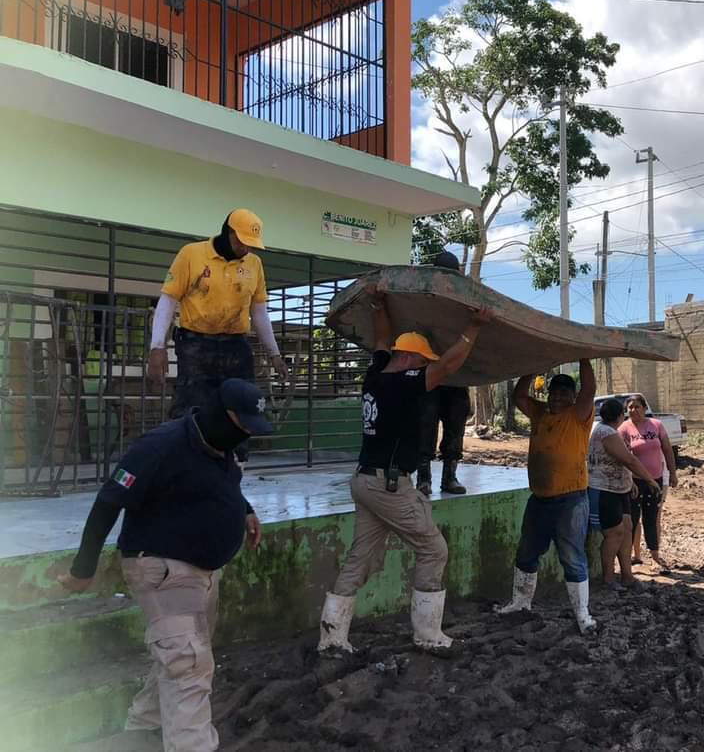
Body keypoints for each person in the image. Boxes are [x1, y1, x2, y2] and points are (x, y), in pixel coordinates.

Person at [59, 379, 273, 752]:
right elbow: (109, 502)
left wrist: (245, 510)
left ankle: (143, 731)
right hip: (161, 568)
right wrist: (83, 568)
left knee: (181, 658)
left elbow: (227, 484)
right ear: (222, 416)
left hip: (203, 574)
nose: (245, 438)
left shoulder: (220, 447)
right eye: (242, 427)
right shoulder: (160, 446)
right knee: (188, 666)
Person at [317, 286, 491, 654]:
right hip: (388, 485)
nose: (426, 365)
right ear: (412, 359)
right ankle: (428, 633)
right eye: (422, 359)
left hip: (365, 479)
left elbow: (382, 339)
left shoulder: (377, 372)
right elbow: (448, 366)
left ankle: (332, 638)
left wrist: (380, 308)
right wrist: (473, 327)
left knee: (360, 558)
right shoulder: (405, 385)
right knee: (433, 549)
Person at [148, 209, 288, 462]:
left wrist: (274, 353)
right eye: (241, 242)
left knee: (241, 406)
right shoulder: (191, 254)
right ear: (228, 232)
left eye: (250, 244)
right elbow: (168, 300)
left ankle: (234, 465)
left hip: (236, 346)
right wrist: (157, 347)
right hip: (196, 344)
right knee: (192, 407)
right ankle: (186, 464)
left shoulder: (254, 264)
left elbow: (259, 312)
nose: (245, 248)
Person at [495, 361, 598, 633]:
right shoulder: (539, 413)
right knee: (527, 551)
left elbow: (589, 390)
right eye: (554, 392)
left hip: (571, 500)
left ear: (572, 397)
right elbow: (518, 396)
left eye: (565, 393)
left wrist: (584, 357)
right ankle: (520, 602)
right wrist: (534, 366)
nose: (558, 397)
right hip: (540, 499)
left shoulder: (578, 415)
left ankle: (582, 615)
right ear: (548, 394)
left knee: (572, 557)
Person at [588, 398, 661, 586]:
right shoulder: (605, 432)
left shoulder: (610, 431)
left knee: (627, 528)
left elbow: (623, 462)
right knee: (614, 533)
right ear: (621, 415)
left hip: (620, 488)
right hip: (605, 489)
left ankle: (627, 575)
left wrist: (630, 481)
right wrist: (649, 480)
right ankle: (609, 578)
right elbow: (629, 460)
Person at [416, 250, 471, 496]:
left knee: (455, 427)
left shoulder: (466, 298)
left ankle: (449, 477)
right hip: (429, 375)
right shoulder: (423, 298)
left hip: (457, 377)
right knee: (425, 425)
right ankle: (423, 478)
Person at [620, 395, 678, 568]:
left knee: (651, 518)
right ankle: (630, 557)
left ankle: (655, 556)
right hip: (635, 483)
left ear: (645, 408)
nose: (633, 410)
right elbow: (622, 458)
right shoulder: (624, 429)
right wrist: (629, 481)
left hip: (656, 480)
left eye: (637, 407)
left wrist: (673, 473)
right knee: (632, 520)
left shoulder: (656, 425)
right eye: (630, 407)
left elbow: (667, 450)